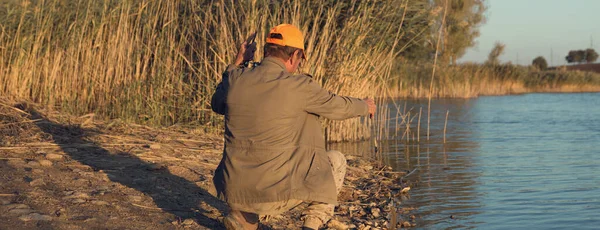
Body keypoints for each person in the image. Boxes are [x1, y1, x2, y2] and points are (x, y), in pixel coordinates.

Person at [211, 23, 376, 230]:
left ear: (266, 52)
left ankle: (244, 217)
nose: (298, 65)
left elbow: (217, 103)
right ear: (294, 55)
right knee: (336, 160)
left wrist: (238, 62)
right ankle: (311, 225)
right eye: (300, 59)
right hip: (272, 194)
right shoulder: (299, 87)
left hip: (234, 190)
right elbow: (339, 107)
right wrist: (365, 105)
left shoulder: (236, 79)